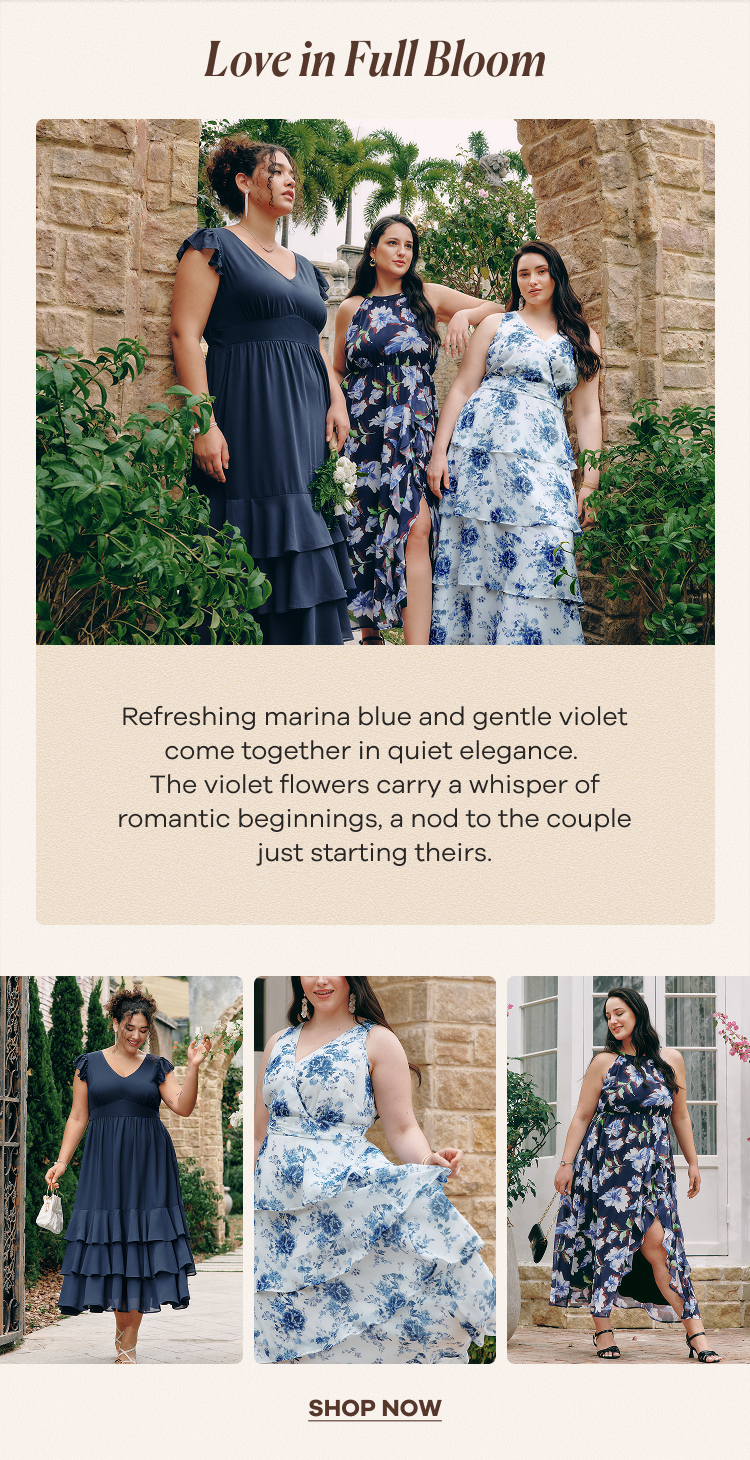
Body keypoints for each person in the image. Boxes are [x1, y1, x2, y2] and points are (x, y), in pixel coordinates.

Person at [170, 138, 355, 644]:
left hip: (307, 419)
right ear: (245, 182)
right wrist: (203, 422)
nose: (290, 180)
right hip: (250, 410)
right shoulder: (213, 247)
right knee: (257, 524)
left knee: (305, 526)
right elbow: (185, 335)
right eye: (277, 172)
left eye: (292, 172)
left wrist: (336, 400)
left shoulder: (307, 270)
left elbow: (313, 343)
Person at [254, 976, 496, 1362]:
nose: (320, 978)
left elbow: (401, 1128)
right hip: (275, 1211)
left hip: (342, 1201)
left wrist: (426, 1159)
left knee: (345, 1315)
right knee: (280, 1320)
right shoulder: (278, 1042)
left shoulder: (377, 1041)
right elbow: (258, 1133)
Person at [332, 216, 506, 644]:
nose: (402, 252)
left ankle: (417, 654)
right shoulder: (351, 309)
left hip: (413, 431)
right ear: (372, 251)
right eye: (392, 243)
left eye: (408, 245)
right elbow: (337, 369)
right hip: (361, 434)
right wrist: (336, 408)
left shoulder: (427, 297)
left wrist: (465, 313)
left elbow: (500, 308)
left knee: (416, 527)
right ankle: (369, 635)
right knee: (361, 528)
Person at [427, 241, 603, 645]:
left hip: (544, 459)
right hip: (479, 456)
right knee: (481, 555)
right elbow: (462, 389)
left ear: (556, 275)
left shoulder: (582, 337)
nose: (533, 280)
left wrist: (590, 483)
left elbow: (588, 412)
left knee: (544, 549)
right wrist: (439, 453)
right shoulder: (497, 324)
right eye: (524, 273)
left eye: (540, 271)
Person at [549, 987, 720, 1361]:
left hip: (654, 1173)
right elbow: (581, 1115)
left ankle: (696, 1332)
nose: (613, 1020)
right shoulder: (604, 1062)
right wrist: (565, 1164)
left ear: (637, 1013)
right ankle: (603, 1330)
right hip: (608, 1170)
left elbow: (681, 1116)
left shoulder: (670, 1059)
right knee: (608, 1246)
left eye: (620, 1012)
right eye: (608, 1015)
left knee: (661, 1247)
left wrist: (692, 1162)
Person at [45, 985, 211, 1365]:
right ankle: (123, 1339)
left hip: (149, 1165)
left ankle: (128, 1344)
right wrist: (62, 1161)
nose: (136, 1036)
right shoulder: (87, 1064)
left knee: (140, 1247)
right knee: (113, 1245)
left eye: (143, 1030)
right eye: (129, 1028)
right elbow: (78, 1116)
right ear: (115, 1023)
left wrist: (196, 1067)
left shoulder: (157, 1067)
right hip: (103, 1164)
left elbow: (182, 1108)